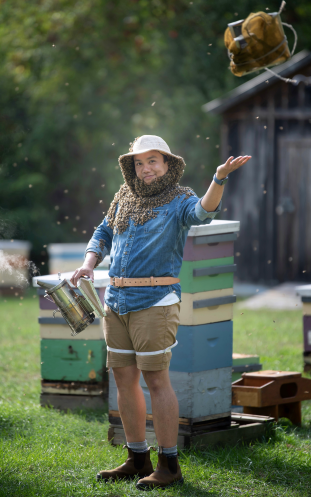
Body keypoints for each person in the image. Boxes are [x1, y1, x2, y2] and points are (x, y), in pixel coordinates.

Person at [71, 135, 251, 490]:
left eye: (152, 160)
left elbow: (203, 212)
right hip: (115, 301)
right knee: (124, 380)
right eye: (139, 162)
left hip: (155, 301)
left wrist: (219, 179)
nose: (145, 168)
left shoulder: (179, 199)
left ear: (168, 164)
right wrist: (89, 263)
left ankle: (169, 464)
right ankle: (137, 458)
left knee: (156, 381)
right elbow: (103, 231)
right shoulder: (123, 197)